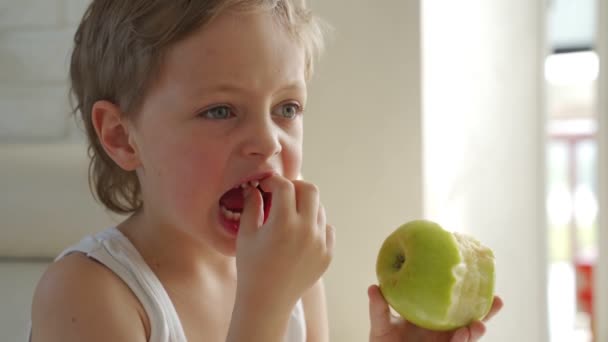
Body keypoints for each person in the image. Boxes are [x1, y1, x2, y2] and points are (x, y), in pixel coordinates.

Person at [30, 1, 502, 341]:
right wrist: (264, 307)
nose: (268, 141)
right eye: (219, 111)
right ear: (121, 136)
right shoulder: (87, 294)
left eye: (287, 107)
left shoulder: (293, 274)